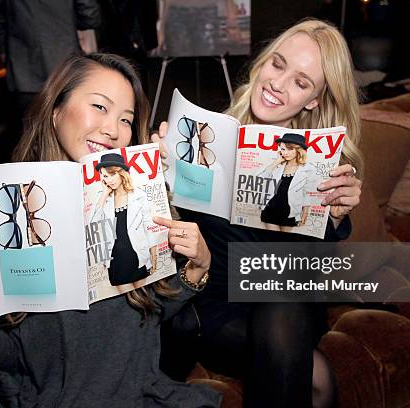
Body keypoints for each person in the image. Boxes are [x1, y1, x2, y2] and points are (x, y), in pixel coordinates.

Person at [0, 53, 221, 407]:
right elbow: (15, 358)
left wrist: (198, 267)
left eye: (125, 119)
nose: (113, 129)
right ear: (56, 109)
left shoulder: (137, 196)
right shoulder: (12, 210)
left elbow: (147, 319)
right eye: (99, 107)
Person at [152, 19, 363, 407]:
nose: (278, 84)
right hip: (214, 300)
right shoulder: (209, 135)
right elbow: (167, 237)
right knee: (316, 379)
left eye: (301, 82)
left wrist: (333, 218)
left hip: (284, 302)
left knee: (284, 300)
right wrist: (161, 174)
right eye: (277, 64)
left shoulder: (321, 159)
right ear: (263, 62)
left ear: (314, 99)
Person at [0, 0, 101, 153]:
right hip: (65, 64)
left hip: (23, 69)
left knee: (33, 146)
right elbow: (90, 16)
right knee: (75, 141)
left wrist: (4, 55)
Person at [91, 153, 158, 286]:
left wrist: (154, 255)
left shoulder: (139, 196)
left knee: (143, 294)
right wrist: (104, 194)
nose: (109, 180)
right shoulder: (104, 199)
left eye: (112, 174)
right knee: (121, 301)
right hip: (115, 259)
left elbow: (148, 227)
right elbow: (95, 225)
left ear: (121, 173)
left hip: (136, 255)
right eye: (105, 176)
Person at [257, 133, 315, 231]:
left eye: (290, 149)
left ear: (299, 150)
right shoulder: (276, 165)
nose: (285, 153)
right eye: (283, 149)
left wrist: (305, 213)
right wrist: (277, 162)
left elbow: (307, 193)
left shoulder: (308, 169)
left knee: (284, 242)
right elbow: (259, 179)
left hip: (290, 212)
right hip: (271, 209)